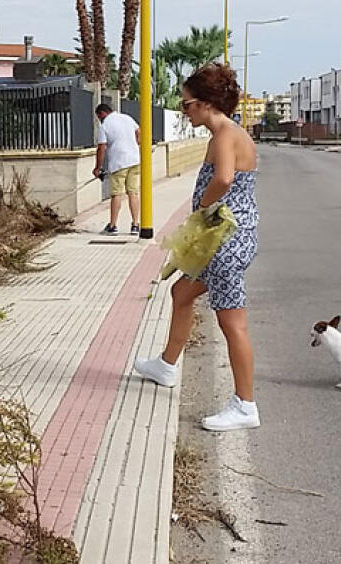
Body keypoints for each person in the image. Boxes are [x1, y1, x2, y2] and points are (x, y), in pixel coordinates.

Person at [132, 63, 261, 432]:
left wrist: (203, 207)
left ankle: (245, 405)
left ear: (206, 103)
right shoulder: (226, 133)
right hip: (223, 241)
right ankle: (166, 365)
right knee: (181, 293)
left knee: (232, 323)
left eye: (186, 104)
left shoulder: (224, 135)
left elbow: (224, 179)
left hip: (226, 243)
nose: (184, 111)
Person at [93, 103, 142, 235]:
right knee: (133, 193)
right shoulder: (127, 118)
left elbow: (101, 148)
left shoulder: (105, 126)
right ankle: (135, 225)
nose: (99, 120)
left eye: (98, 117)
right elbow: (139, 132)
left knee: (116, 194)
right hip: (134, 160)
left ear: (102, 113)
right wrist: (134, 145)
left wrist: (97, 168)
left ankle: (113, 226)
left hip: (118, 163)